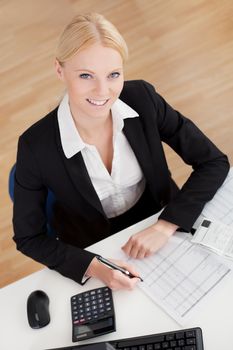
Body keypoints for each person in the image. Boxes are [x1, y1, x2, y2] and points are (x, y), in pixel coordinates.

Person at [13, 13, 229, 291]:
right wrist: (95, 266)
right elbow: (29, 238)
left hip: (161, 221)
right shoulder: (34, 147)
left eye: (113, 74)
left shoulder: (143, 99)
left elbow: (213, 161)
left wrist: (166, 225)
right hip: (95, 247)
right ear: (59, 70)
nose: (103, 91)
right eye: (85, 75)